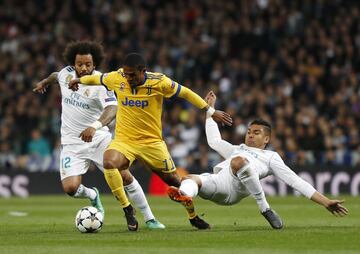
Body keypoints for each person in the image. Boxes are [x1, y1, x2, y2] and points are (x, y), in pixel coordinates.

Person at [68, 53, 233, 230]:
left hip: (152, 143)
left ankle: (193, 217)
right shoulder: (118, 77)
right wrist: (79, 81)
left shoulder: (158, 82)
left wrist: (209, 110)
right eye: (126, 74)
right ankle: (127, 210)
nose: (128, 78)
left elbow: (185, 92)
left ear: (143, 71)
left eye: (132, 75)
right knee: (109, 161)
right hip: (125, 141)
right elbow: (98, 78)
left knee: (176, 182)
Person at [167, 91, 349, 229]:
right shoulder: (237, 149)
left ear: (267, 139)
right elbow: (214, 141)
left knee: (238, 161)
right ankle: (189, 206)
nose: (250, 135)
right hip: (218, 184)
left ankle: (265, 208)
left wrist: (326, 201)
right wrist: (210, 111)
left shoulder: (270, 157)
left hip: (235, 191)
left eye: (256, 132)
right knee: (189, 179)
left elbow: (296, 181)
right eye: (249, 132)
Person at [33, 41, 165, 231]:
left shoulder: (102, 82)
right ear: (73, 63)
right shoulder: (65, 74)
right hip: (72, 144)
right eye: (80, 64)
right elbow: (56, 76)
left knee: (125, 176)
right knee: (70, 189)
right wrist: (44, 82)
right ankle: (93, 195)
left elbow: (112, 108)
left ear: (94, 64)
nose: (84, 68)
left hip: (99, 139)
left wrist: (95, 127)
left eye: (88, 64)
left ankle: (150, 218)